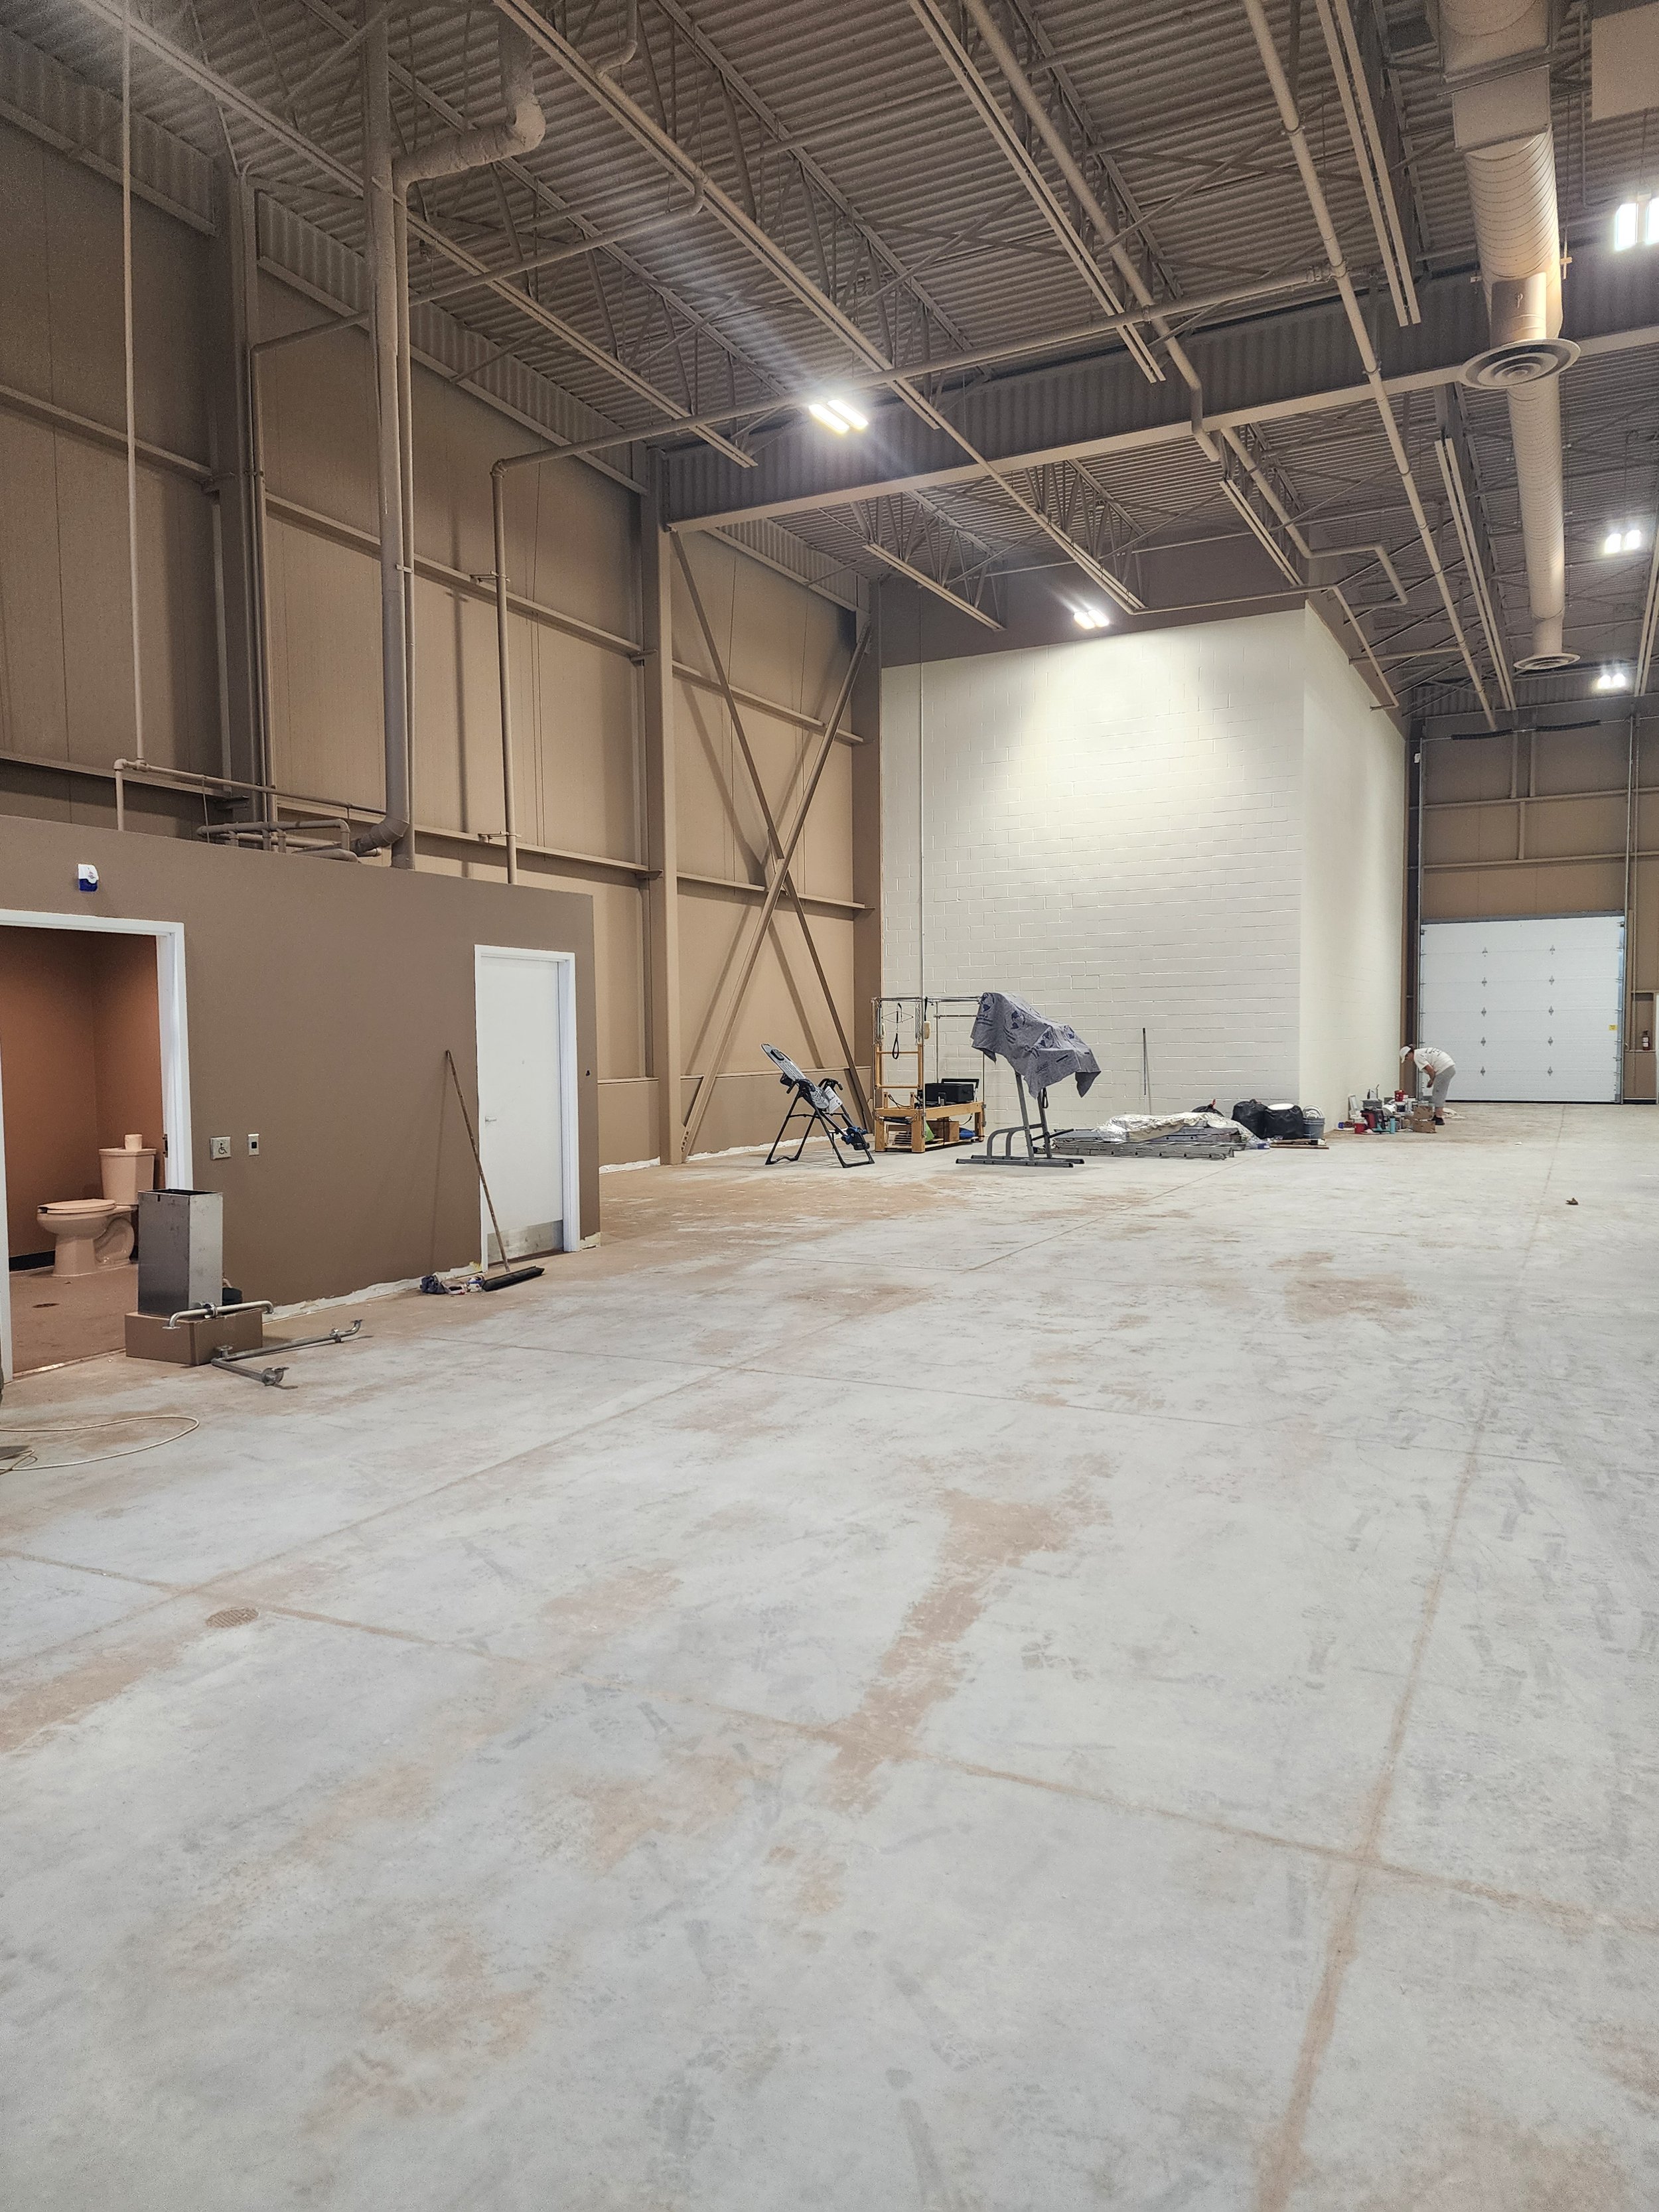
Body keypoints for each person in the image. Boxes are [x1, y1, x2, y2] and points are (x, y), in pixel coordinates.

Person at [1401, 1043, 1455, 1125]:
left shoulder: (1417, 1056)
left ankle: (1439, 1118)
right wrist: (1433, 1080)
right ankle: (1437, 1115)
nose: (1408, 1060)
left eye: (1406, 1058)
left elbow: (1430, 1069)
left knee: (1438, 1093)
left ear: (1409, 1054)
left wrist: (1432, 1079)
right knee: (1440, 1091)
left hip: (1444, 1069)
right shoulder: (1421, 1052)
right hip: (1449, 1066)